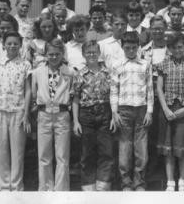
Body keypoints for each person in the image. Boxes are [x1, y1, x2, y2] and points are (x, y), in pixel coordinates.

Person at [110, 32, 153, 191]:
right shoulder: (117, 65)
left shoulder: (145, 64)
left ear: (138, 47)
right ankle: (126, 182)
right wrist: (114, 112)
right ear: (122, 47)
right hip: (124, 110)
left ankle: (139, 182)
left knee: (141, 148)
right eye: (127, 48)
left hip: (141, 109)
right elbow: (114, 89)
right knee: (125, 147)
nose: (130, 51)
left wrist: (149, 111)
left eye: (134, 47)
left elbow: (150, 89)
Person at [0, 31, 32, 191]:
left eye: (15, 43)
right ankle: (3, 186)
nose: (12, 46)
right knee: (1, 151)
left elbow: (28, 91)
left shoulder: (25, 64)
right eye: (9, 43)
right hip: (1, 110)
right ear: (4, 45)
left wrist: (26, 115)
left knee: (17, 151)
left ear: (20, 45)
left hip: (19, 111)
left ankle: (16, 186)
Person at [31, 38, 75, 191]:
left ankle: (61, 190)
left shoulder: (70, 72)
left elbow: (73, 95)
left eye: (57, 54)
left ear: (62, 54)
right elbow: (33, 94)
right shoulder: (37, 72)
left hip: (62, 115)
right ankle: (46, 189)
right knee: (44, 155)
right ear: (45, 55)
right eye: (50, 54)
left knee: (62, 156)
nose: (54, 57)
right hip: (44, 114)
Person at [73, 40, 115, 191]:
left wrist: (113, 115)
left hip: (105, 113)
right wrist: (76, 121)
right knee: (87, 153)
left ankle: (103, 186)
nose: (92, 55)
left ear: (99, 54)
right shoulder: (80, 74)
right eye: (88, 52)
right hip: (86, 115)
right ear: (84, 54)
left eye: (94, 52)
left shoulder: (107, 72)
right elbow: (76, 99)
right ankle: (88, 187)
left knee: (106, 151)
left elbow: (113, 96)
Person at [155, 32, 184, 191]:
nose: (178, 50)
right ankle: (170, 181)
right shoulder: (163, 64)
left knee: (182, 146)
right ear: (169, 48)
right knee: (168, 146)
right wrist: (165, 108)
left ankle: (182, 180)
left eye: (180, 47)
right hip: (167, 110)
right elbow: (159, 88)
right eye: (174, 47)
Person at [139, 15, 168, 175]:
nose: (157, 31)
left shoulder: (170, 49)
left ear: (165, 29)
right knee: (151, 131)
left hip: (169, 95)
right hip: (150, 97)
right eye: (154, 28)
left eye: (160, 28)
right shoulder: (144, 51)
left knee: (166, 130)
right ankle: (152, 164)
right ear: (150, 29)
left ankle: (167, 163)